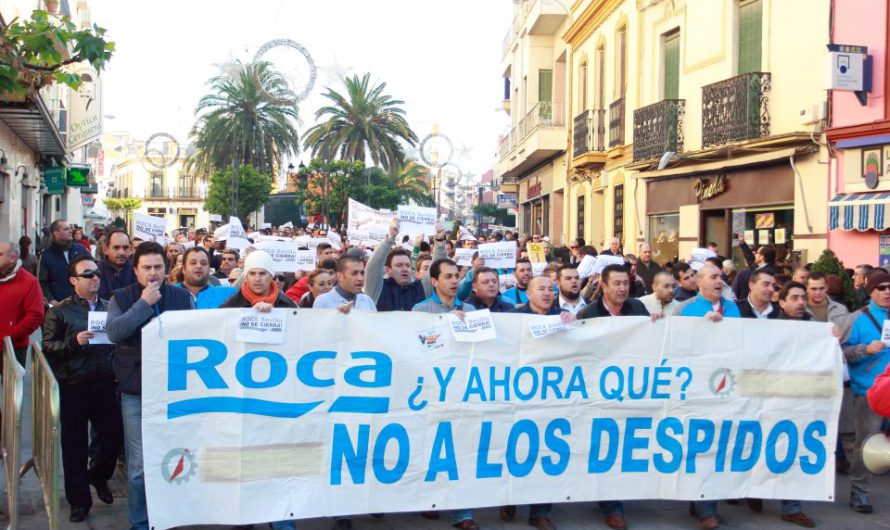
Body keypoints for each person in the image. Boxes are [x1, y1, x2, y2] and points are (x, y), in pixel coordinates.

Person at [106, 242, 192, 530]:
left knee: (177, 459)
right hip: (137, 393)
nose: (153, 273)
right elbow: (115, 332)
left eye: (158, 267)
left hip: (175, 391)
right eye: (147, 268)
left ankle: (172, 516)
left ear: (166, 269)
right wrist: (144, 304)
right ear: (136, 270)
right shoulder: (121, 297)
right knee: (139, 467)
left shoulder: (181, 297)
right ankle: (140, 522)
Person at [41, 255, 123, 523]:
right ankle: (79, 500)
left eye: (97, 273)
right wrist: (74, 342)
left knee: (113, 437)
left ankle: (98, 476)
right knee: (74, 447)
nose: (95, 278)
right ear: (73, 281)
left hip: (104, 385)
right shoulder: (60, 311)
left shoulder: (109, 307)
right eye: (88, 275)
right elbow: (47, 348)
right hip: (73, 387)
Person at [840, 270, 890, 514]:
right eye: (881, 287)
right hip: (869, 392)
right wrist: (865, 349)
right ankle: (859, 493)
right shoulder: (856, 319)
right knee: (866, 443)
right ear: (870, 290)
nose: (887, 291)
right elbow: (840, 353)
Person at [365, 220, 434, 311]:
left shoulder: (420, 288)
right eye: (399, 265)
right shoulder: (378, 289)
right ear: (387, 270)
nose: (405, 269)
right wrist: (390, 239)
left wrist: (440, 242)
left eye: (408, 265)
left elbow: (436, 269)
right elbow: (373, 268)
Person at [0, 241, 44, 365]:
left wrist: (9, 336)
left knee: (12, 384)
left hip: (14, 346)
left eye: (0, 254)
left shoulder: (29, 282)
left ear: (13, 258)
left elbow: (36, 315)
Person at [221, 251, 295, 310]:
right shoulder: (230, 306)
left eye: (262, 273)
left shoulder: (288, 305)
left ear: (271, 276)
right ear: (246, 276)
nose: (257, 279)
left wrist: (276, 315)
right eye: (252, 273)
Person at [38, 219, 89, 305]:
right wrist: (50, 299)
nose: (70, 231)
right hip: (59, 305)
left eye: (70, 228)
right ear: (56, 233)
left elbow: (93, 271)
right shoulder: (46, 255)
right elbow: (42, 282)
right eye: (66, 229)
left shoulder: (81, 249)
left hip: (82, 302)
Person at [577, 264, 649, 320]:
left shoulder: (637, 307)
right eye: (617, 283)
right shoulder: (588, 314)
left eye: (626, 283)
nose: (622, 289)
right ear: (604, 287)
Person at [731, 235, 777, 301]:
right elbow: (750, 259)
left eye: (757, 253)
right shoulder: (757, 268)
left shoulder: (768, 272)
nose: (755, 254)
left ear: (762, 257)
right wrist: (742, 243)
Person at [97, 229, 137, 301]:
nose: (121, 252)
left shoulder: (138, 272)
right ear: (106, 250)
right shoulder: (96, 272)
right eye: (116, 247)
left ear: (130, 249)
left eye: (125, 248)